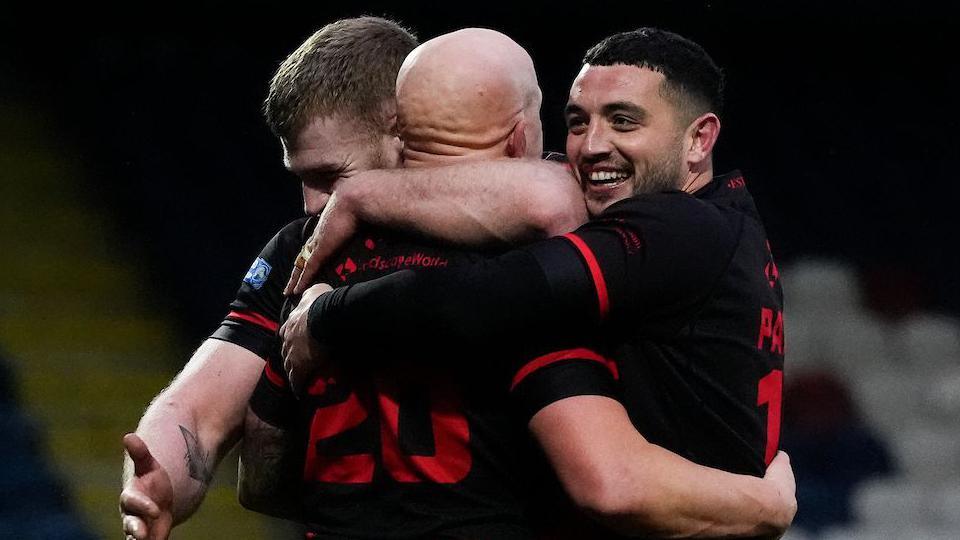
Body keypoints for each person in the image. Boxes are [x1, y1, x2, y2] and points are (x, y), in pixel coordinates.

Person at [265, 28, 794, 538]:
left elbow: (480, 295)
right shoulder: (720, 224)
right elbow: (542, 186)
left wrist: (326, 315)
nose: (591, 147)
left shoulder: (678, 230)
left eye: (624, 121)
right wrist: (363, 194)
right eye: (578, 121)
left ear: (699, 139)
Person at [118, 17, 422, 540]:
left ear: (402, 132)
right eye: (300, 178)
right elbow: (196, 409)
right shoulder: (297, 255)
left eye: (330, 177)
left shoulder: (526, 226)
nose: (311, 205)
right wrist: (157, 479)